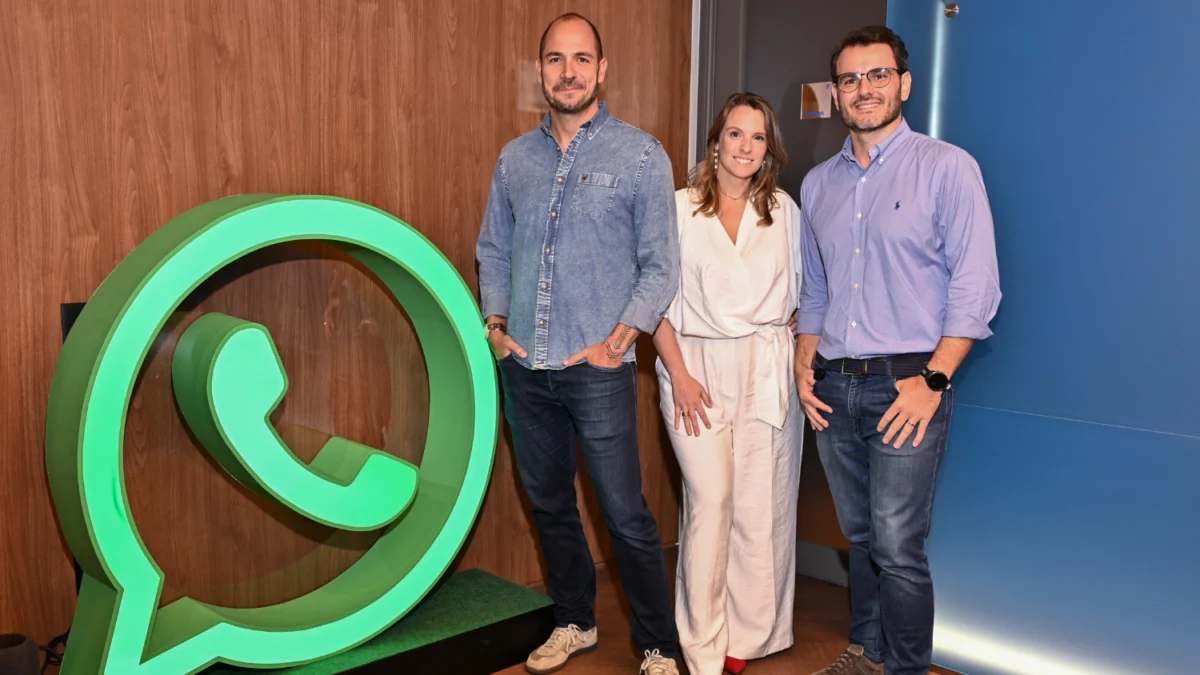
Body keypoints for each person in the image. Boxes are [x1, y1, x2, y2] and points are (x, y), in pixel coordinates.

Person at [475, 12, 682, 675]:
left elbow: (661, 267)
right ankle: (575, 620)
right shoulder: (515, 159)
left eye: (582, 59)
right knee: (550, 504)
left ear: (602, 69)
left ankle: (659, 646)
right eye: (556, 60)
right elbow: (493, 249)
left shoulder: (641, 155)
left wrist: (617, 341)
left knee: (624, 513)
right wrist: (495, 326)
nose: (569, 72)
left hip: (598, 368)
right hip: (524, 366)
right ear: (541, 71)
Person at [794, 26, 1001, 675]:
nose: (864, 89)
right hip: (833, 386)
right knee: (860, 536)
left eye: (878, 75)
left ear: (904, 84)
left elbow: (977, 286)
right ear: (836, 92)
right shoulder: (818, 185)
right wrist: (803, 363)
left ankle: (905, 667)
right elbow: (816, 287)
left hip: (909, 385)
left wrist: (933, 381)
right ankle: (866, 651)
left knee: (898, 546)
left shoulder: (948, 167)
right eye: (850, 78)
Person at [651, 92, 803, 675]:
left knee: (762, 504)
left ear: (769, 150)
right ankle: (702, 642)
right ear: (715, 143)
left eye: (758, 137)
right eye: (735, 134)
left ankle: (751, 634)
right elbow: (652, 298)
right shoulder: (679, 208)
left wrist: (796, 334)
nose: (746, 146)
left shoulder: (783, 210)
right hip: (696, 367)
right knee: (711, 502)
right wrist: (680, 375)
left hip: (766, 365)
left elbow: (805, 289)